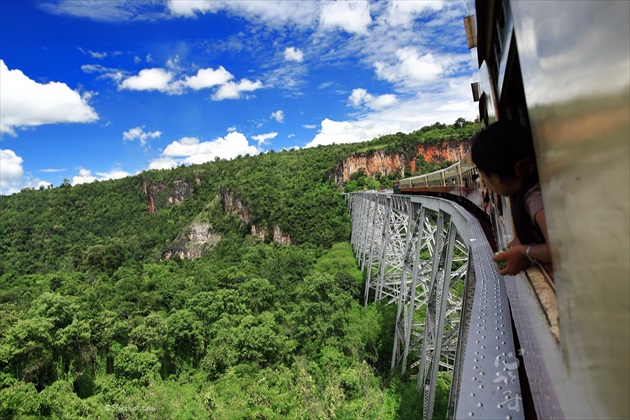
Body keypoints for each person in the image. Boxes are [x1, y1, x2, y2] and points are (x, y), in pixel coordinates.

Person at [471, 120, 552, 276]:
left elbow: (559, 249)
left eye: (484, 177)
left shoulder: (534, 198)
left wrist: (524, 252)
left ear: (497, 177)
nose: (485, 184)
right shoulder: (532, 194)